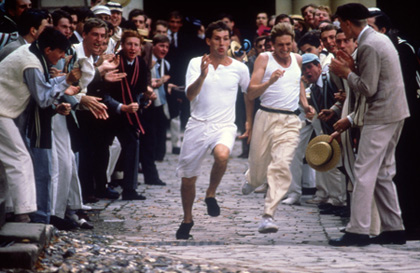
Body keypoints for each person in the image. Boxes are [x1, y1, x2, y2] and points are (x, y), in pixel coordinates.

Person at [328, 3, 409, 247]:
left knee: (364, 171)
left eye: (341, 24)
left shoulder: (368, 44)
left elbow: (367, 88)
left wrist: (346, 73)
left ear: (347, 22)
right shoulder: (377, 39)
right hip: (395, 111)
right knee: (383, 172)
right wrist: (352, 69)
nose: (341, 30)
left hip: (382, 113)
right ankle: (394, 228)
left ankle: (358, 231)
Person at [175, 21, 250, 240]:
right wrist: (202, 75)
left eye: (225, 39)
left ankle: (211, 193)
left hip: (225, 125)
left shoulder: (239, 68)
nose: (221, 43)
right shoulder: (195, 63)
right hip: (198, 124)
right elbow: (190, 95)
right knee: (188, 179)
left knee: (222, 154)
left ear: (230, 41)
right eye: (217, 38)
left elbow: (248, 93)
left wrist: (249, 123)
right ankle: (187, 219)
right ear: (208, 41)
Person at [0, 26, 80, 223]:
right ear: (48, 50)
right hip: (2, 112)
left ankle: (10, 207)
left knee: (6, 163)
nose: (61, 57)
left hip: (5, 112)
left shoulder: (31, 53)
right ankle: (23, 212)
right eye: (60, 52)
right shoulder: (32, 63)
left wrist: (63, 80)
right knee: (20, 158)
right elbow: (43, 97)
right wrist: (65, 82)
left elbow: (43, 88)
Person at [241, 23, 313, 233]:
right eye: (280, 45)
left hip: (291, 120)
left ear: (293, 43)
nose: (284, 49)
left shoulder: (298, 59)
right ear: (272, 44)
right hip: (266, 116)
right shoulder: (264, 59)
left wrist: (305, 105)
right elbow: (251, 93)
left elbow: (297, 83)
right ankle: (251, 178)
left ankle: (268, 215)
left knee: (280, 166)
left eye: (288, 44)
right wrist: (269, 82)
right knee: (258, 170)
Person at [103, 29, 153, 201]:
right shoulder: (114, 62)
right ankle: (101, 186)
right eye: (129, 44)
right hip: (109, 114)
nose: (132, 48)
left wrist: (144, 100)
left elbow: (139, 90)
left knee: (133, 144)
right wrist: (121, 107)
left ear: (140, 48)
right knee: (105, 148)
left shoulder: (140, 63)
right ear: (122, 45)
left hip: (130, 115)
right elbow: (103, 93)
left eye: (136, 45)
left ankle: (129, 189)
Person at [139, 34, 170, 185]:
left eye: (166, 46)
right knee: (148, 142)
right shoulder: (148, 61)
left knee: (153, 140)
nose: (164, 49)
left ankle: (151, 174)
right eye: (161, 46)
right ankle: (150, 175)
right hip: (146, 104)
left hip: (157, 104)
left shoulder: (164, 63)